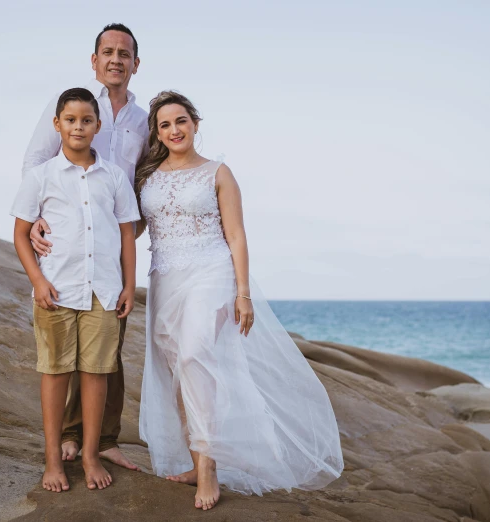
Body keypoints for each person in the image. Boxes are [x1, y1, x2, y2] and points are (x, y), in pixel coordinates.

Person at [136, 91, 344, 510]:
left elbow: (236, 235)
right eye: (165, 125)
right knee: (178, 365)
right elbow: (132, 227)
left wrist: (243, 293)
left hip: (212, 273)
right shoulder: (148, 176)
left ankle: (210, 469)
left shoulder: (218, 172)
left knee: (195, 355)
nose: (174, 130)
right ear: (157, 133)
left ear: (195, 123)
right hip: (166, 278)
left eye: (181, 121)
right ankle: (198, 459)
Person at [22, 23, 147, 470]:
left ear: (136, 63)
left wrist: (137, 229)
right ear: (94, 60)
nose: (116, 59)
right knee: (65, 348)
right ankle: (70, 438)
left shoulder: (142, 120)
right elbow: (36, 161)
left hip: (116, 237)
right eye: (108, 52)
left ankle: (104, 438)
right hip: (68, 237)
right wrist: (37, 218)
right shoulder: (74, 106)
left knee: (106, 345)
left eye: (125, 53)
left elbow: (146, 175)